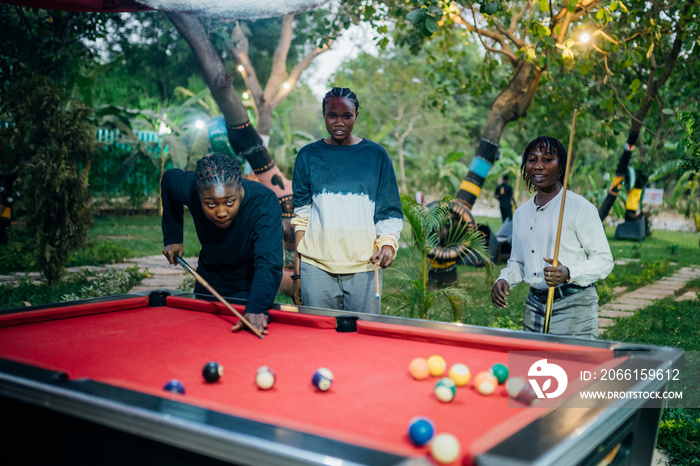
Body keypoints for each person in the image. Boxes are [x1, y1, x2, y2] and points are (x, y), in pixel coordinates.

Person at [290, 87, 403, 314]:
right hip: (316, 268)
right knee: (318, 339)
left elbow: (389, 211)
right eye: (332, 116)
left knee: (362, 340)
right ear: (324, 115)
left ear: (356, 115)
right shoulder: (308, 156)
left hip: (365, 266)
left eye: (346, 116)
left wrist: (388, 245)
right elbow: (301, 217)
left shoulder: (376, 155)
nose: (339, 122)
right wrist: (298, 272)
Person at [490, 136, 613, 339]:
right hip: (534, 306)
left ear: (561, 166)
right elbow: (519, 262)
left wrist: (568, 273)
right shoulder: (521, 214)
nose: (538, 166)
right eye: (532, 160)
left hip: (574, 306)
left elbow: (604, 260)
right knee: (535, 368)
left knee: (572, 368)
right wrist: (504, 279)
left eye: (547, 159)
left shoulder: (580, 208)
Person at [161, 153, 283, 335]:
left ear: (240, 187)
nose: (221, 212)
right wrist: (173, 238)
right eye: (210, 204)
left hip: (249, 285)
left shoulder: (264, 202)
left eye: (229, 202)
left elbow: (268, 261)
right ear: (198, 193)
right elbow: (169, 180)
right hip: (208, 279)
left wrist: (257, 308)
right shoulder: (189, 187)